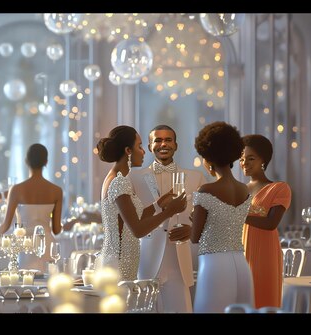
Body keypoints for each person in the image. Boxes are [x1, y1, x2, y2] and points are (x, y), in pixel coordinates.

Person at [129, 125, 206, 313]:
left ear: (176, 145)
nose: (163, 144)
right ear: (149, 146)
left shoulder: (195, 177)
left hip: (179, 260)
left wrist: (192, 230)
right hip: (145, 258)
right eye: (158, 140)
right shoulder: (134, 177)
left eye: (168, 140)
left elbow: (207, 217)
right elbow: (131, 219)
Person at [96, 125, 186, 281]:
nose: (144, 151)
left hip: (122, 260)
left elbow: (131, 219)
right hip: (120, 264)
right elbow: (137, 230)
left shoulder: (116, 178)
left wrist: (158, 204)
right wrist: (169, 211)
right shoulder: (119, 182)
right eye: (139, 146)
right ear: (128, 151)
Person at [191, 122, 254, 312]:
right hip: (241, 265)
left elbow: (195, 236)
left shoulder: (206, 190)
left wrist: (192, 218)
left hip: (214, 265)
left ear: (207, 157)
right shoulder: (244, 189)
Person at [240, 134, 291, 308]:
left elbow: (271, 224)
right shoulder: (239, 190)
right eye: (241, 159)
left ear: (264, 160)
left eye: (251, 158)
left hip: (265, 253)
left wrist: (235, 215)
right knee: (243, 301)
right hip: (240, 250)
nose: (244, 163)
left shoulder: (279, 188)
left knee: (263, 299)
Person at [0, 144, 63, 272]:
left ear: (26, 161)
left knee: (25, 287)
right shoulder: (56, 191)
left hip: (25, 245)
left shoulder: (16, 190)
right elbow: (56, 230)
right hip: (47, 245)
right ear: (46, 162)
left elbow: (5, 225)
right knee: (47, 287)